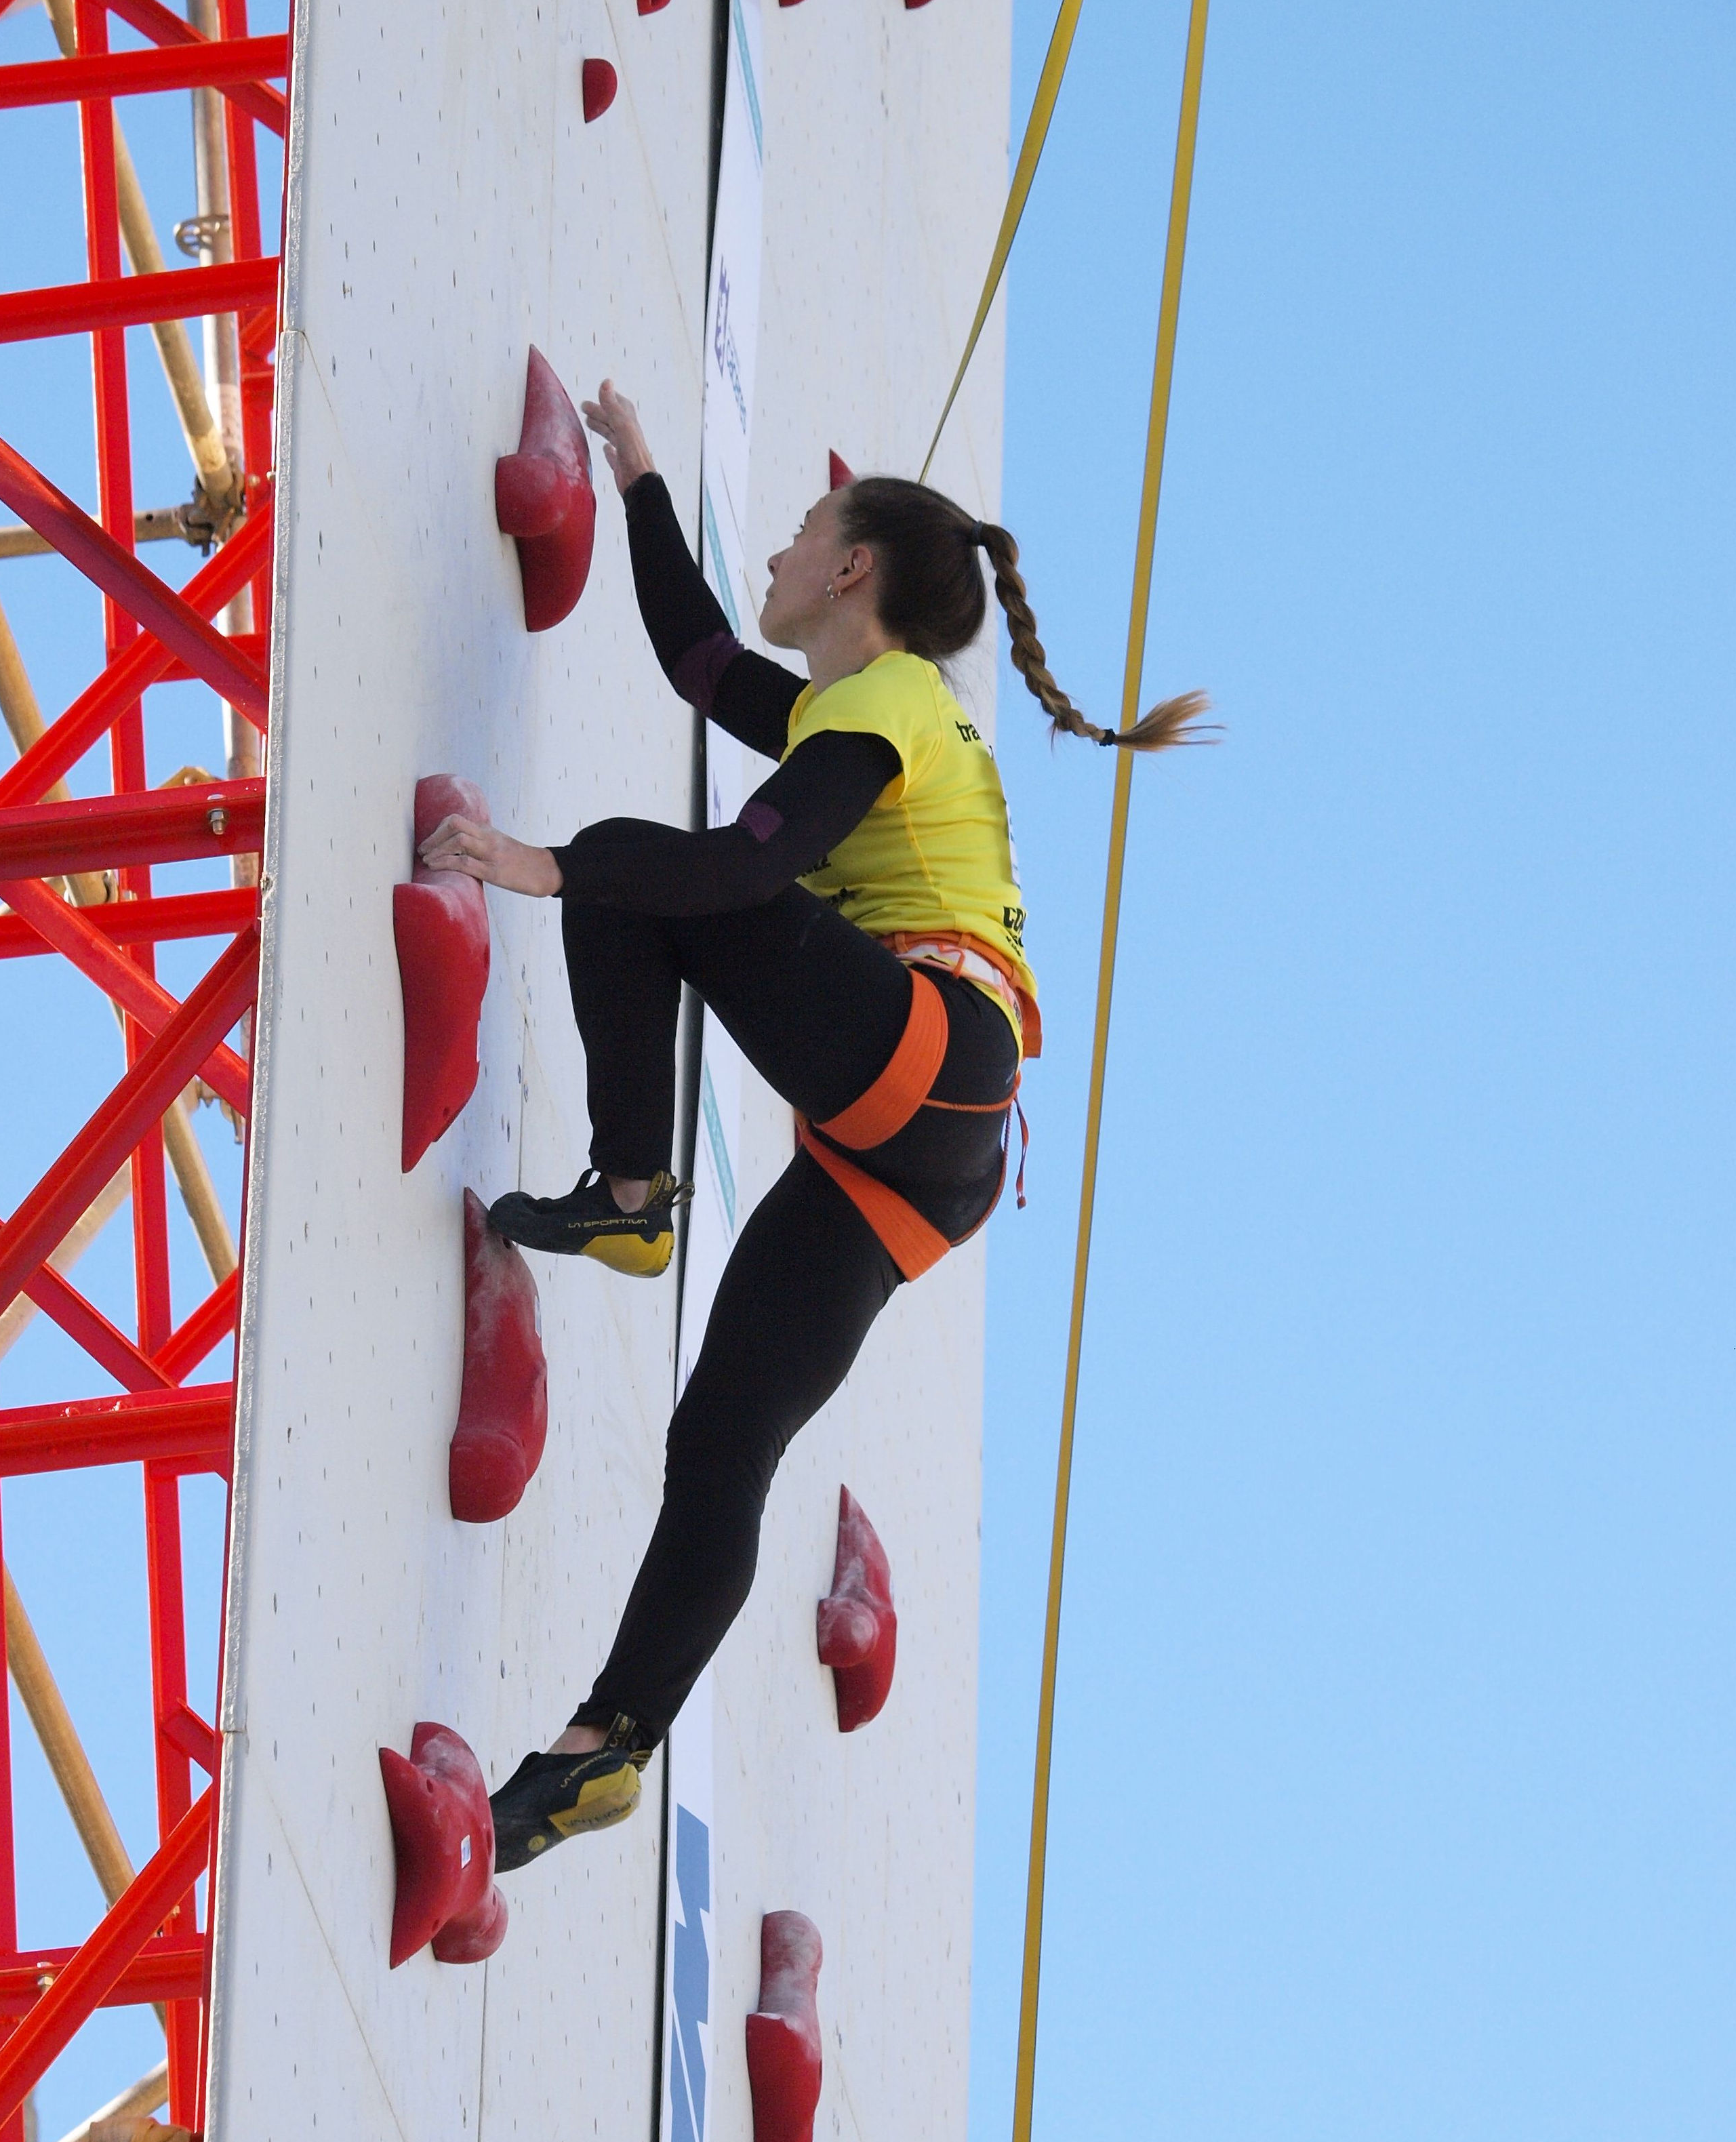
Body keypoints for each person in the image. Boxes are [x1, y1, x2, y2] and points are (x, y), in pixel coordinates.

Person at [418, 380, 1207, 1872]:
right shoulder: (871, 712)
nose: (780, 554)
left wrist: (542, 866)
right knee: (724, 1438)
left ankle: (639, 1185)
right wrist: (640, 473)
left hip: (936, 1066)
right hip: (918, 1156)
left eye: (798, 535)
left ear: (854, 570)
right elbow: (699, 657)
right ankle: (604, 1748)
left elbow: (751, 861)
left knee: (637, 871)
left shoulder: (890, 707)